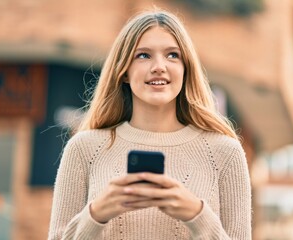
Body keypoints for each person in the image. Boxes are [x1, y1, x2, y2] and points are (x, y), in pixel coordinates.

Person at [48, 9, 251, 240]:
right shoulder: (84, 148)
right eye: (143, 55)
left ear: (186, 69)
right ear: (124, 71)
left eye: (172, 55)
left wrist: (197, 215)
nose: (159, 66)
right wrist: (97, 214)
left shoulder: (225, 153)